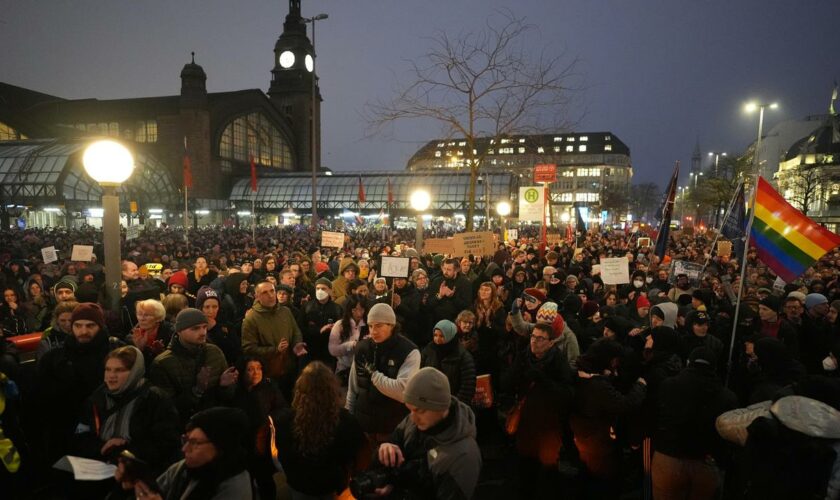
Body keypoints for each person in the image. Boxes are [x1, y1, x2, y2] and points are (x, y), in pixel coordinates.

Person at [375, 367, 481, 499]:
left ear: (441, 408)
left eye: (420, 411)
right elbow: (394, 443)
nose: (413, 418)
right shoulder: (415, 422)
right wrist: (386, 446)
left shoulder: (463, 456)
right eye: (410, 410)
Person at [37, 303, 124, 462]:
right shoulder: (54, 359)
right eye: (78, 325)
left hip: (108, 434)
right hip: (67, 437)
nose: (83, 331)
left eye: (90, 325)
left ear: (100, 326)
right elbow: (42, 403)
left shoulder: (115, 354)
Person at [72, 346, 180, 472]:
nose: (111, 376)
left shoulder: (155, 399)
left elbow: (167, 442)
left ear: (135, 371)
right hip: (100, 469)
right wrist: (102, 447)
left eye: (119, 370)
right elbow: (80, 437)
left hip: (141, 472)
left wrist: (127, 450)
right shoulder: (97, 398)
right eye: (108, 369)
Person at [652, 347, 738, 500]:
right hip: (706, 462)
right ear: (715, 368)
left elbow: (656, 417)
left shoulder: (668, 385)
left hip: (669, 458)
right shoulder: (727, 397)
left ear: (688, 362)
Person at [275, 362, 368, 499]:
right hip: (333, 489)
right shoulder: (345, 421)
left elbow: (283, 456)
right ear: (332, 389)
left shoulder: (284, 421)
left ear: (299, 389)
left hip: (299, 488)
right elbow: (361, 458)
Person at [124, 407, 253, 500]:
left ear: (221, 447)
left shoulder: (235, 488)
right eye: (185, 440)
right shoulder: (183, 468)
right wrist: (131, 487)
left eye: (195, 443)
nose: (185, 448)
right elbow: (157, 490)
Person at [149, 308, 238, 427]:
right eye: (195, 328)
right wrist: (196, 391)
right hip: (185, 428)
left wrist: (225, 387)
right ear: (179, 331)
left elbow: (227, 398)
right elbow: (167, 409)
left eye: (204, 327)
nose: (203, 332)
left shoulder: (214, 352)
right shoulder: (163, 363)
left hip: (215, 423)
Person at [346, 303, 420, 444]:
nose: (373, 331)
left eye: (379, 326)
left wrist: (374, 375)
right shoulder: (363, 347)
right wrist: (349, 415)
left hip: (391, 427)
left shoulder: (409, 351)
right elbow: (353, 386)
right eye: (370, 326)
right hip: (363, 424)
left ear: (391, 325)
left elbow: (402, 392)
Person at [241, 281, 306, 399]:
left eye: (272, 291)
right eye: (265, 293)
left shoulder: (285, 311)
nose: (270, 295)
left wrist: (296, 344)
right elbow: (248, 348)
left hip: (289, 367)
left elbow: (295, 331)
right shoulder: (251, 318)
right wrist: (275, 349)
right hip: (268, 373)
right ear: (257, 296)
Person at [420, 320, 477, 405]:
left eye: (442, 336)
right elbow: (420, 375)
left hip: (452, 406)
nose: (437, 339)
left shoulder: (463, 356)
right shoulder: (428, 351)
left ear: (450, 336)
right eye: (435, 335)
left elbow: (467, 387)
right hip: (430, 404)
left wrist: (453, 406)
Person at [303, 278, 343, 369]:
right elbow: (302, 327)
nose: (320, 291)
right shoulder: (307, 306)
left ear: (330, 290)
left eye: (323, 288)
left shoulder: (337, 308)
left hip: (328, 350)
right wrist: (319, 330)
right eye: (317, 288)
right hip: (311, 349)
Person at [328, 295, 369, 385]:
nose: (359, 313)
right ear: (349, 309)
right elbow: (333, 350)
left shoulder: (369, 325)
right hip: (344, 370)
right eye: (354, 310)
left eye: (361, 309)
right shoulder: (340, 325)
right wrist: (350, 345)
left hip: (363, 371)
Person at [128, 299, 174, 370]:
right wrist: (139, 349)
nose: (142, 318)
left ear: (158, 318)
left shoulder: (171, 332)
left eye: (146, 315)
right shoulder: (131, 336)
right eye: (139, 314)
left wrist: (161, 353)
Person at [427, 258, 473, 325]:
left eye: (449, 270)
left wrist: (453, 296)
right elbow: (429, 304)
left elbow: (466, 306)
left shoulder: (465, 284)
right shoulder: (436, 281)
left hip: (456, 322)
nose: (445, 272)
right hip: (438, 321)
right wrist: (439, 296)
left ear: (456, 270)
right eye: (444, 269)